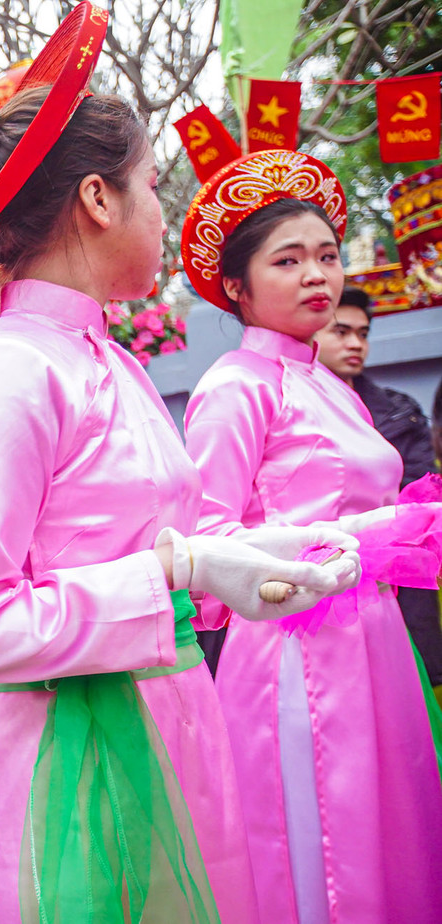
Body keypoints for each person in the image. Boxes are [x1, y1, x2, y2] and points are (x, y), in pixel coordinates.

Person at [0, 6, 359, 921]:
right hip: (69, 774)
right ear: (97, 198)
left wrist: (256, 555)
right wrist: (178, 570)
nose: (165, 212)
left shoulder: (111, 362)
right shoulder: (8, 368)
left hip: (175, 729)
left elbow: (168, 546)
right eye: (152, 185)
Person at [182, 149, 442, 924]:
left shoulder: (331, 385)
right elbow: (207, 538)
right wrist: (359, 534)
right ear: (236, 285)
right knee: (323, 844)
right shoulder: (235, 387)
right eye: (287, 260)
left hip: (376, 633)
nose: (315, 275)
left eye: (327, 256)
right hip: (297, 644)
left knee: (389, 828)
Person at [314, 286, 442, 686]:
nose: (356, 343)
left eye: (363, 333)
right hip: (323, 579)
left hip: (399, 578)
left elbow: (421, 493)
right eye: (341, 332)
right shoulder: (289, 408)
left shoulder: (398, 409)